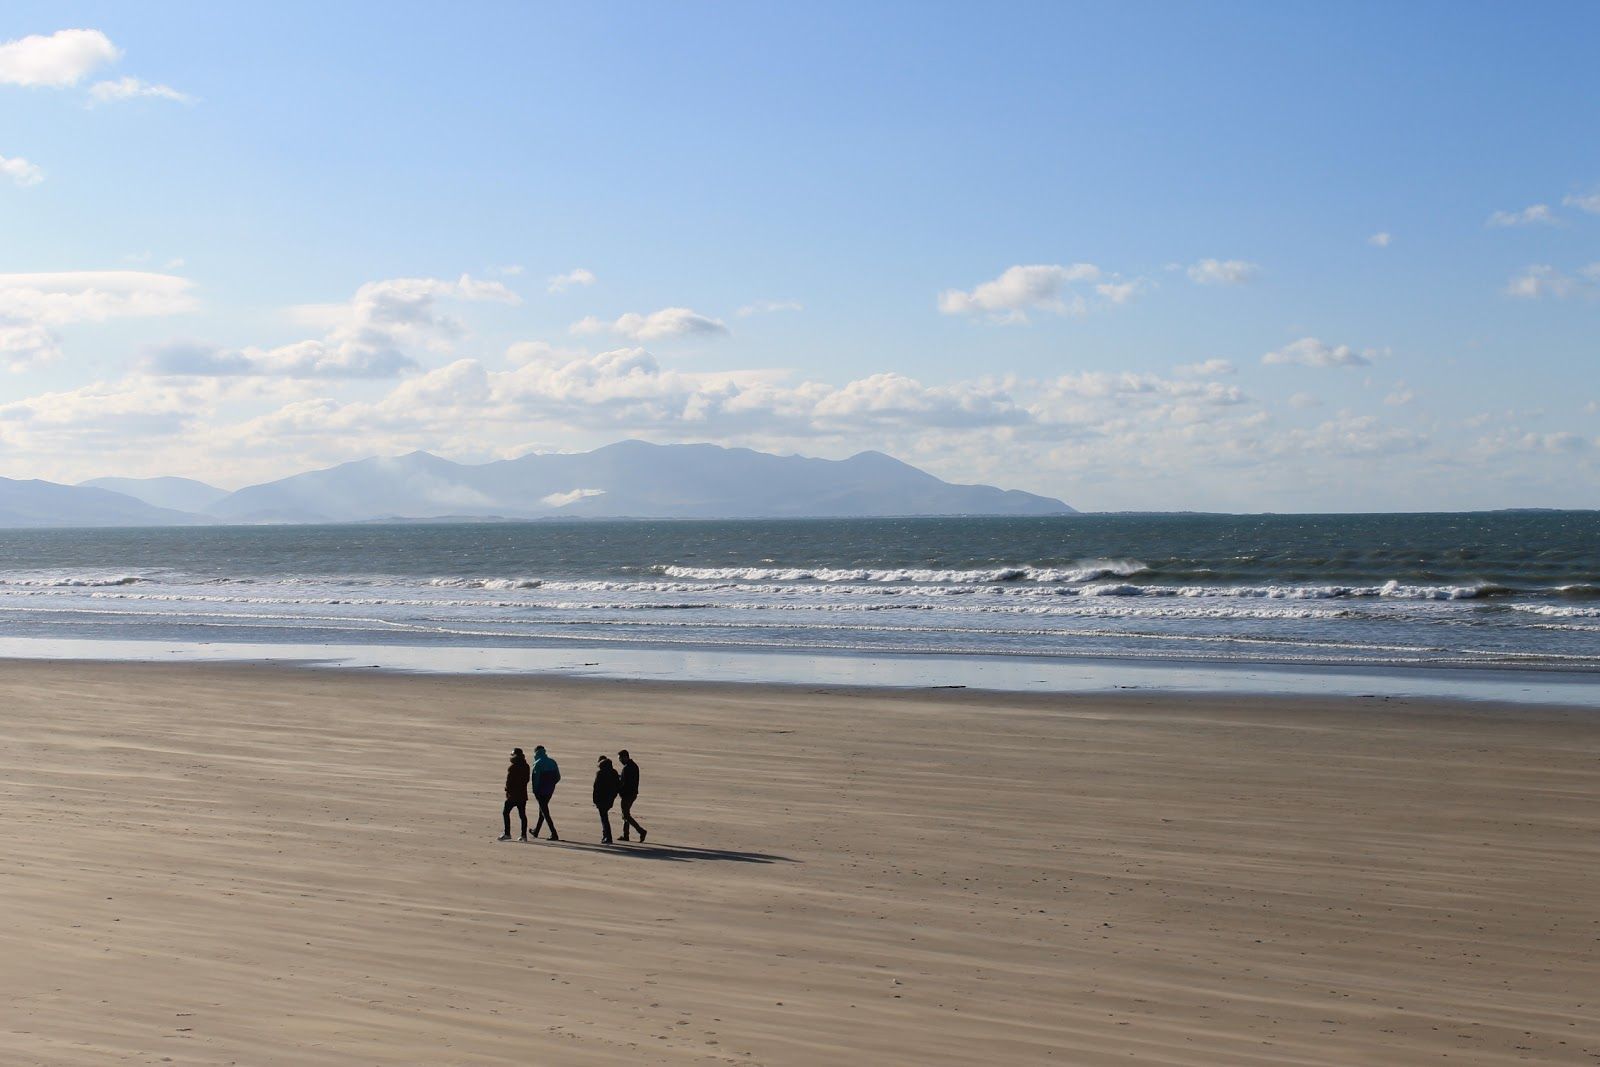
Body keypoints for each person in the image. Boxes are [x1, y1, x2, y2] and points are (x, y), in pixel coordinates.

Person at [530, 745, 561, 841]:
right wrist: (551, 785)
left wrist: (535, 791)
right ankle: (536, 831)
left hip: (540, 791)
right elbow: (558, 777)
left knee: (545, 812)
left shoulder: (537, 763)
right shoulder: (552, 762)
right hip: (549, 791)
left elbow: (535, 780)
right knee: (542, 811)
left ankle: (554, 833)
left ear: (536, 753)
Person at [499, 747, 530, 841]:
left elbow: (509, 782)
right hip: (522, 794)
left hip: (513, 795)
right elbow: (527, 780)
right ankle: (523, 835)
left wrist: (507, 790)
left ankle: (507, 833)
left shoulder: (512, 767)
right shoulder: (526, 765)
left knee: (505, 812)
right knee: (522, 815)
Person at [617, 749, 647, 842]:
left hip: (628, 794)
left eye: (620, 758)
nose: (620, 761)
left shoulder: (627, 768)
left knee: (625, 815)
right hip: (632, 793)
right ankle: (626, 835)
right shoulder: (633, 766)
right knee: (625, 814)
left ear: (625, 757)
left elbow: (624, 783)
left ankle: (641, 831)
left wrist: (619, 789)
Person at [593, 756, 622, 844]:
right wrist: (614, 795)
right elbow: (618, 785)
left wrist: (595, 799)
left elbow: (596, 787)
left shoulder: (600, 773)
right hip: (610, 798)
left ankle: (607, 836)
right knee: (604, 817)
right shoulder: (614, 772)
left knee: (604, 818)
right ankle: (605, 835)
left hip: (602, 799)